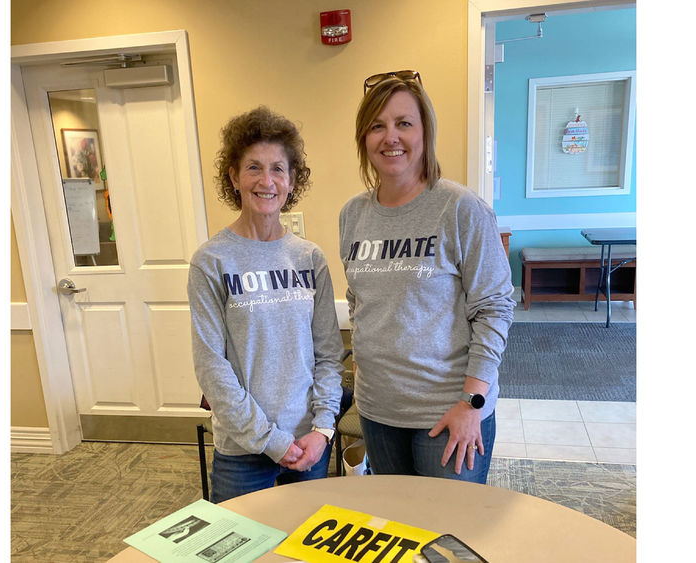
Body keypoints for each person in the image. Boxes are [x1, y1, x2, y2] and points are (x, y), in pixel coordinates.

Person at [338, 71, 515, 483]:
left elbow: (495, 308)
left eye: (403, 123)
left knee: (447, 538)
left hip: (448, 411)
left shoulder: (460, 208)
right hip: (378, 410)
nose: (390, 137)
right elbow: (358, 297)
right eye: (376, 126)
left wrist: (473, 402)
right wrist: (363, 369)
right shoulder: (352, 215)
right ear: (364, 139)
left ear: (425, 132)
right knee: (399, 533)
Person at [188, 106, 343, 503]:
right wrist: (270, 440)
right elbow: (211, 366)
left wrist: (323, 428)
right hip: (243, 449)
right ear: (234, 177)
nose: (266, 180)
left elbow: (328, 353)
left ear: (292, 181)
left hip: (308, 441)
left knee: (307, 551)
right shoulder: (212, 261)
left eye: (278, 168)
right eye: (253, 167)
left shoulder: (309, 258)